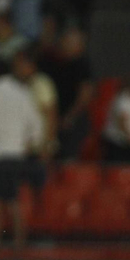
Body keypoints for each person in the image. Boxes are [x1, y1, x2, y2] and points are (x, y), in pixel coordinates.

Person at [0, 51, 45, 246]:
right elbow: (37, 131)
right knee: (14, 202)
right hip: (17, 158)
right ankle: (19, 248)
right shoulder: (24, 94)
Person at [40, 24, 92, 159]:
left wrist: (70, 116)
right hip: (47, 117)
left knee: (67, 157)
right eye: (68, 41)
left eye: (79, 43)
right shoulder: (49, 60)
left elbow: (85, 94)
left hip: (70, 120)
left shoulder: (82, 65)